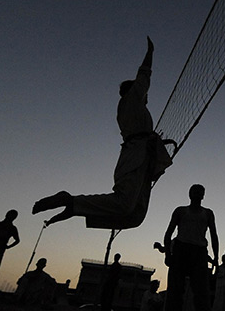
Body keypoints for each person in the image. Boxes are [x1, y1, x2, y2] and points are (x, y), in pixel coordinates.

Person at [32, 37, 172, 230]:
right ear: (133, 91)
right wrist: (150, 53)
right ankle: (71, 201)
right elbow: (144, 77)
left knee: (135, 215)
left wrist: (157, 145)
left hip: (143, 156)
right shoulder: (131, 100)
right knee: (124, 205)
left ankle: (75, 207)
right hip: (135, 155)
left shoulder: (135, 111)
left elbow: (142, 131)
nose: (146, 95)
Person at [160, 184, 219, 311]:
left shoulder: (208, 213)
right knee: (174, 293)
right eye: (194, 190)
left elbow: (214, 235)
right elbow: (169, 232)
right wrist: (168, 254)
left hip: (199, 253)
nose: (197, 193)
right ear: (189, 193)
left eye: (200, 191)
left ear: (203, 195)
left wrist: (215, 257)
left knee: (201, 295)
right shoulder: (180, 211)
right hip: (180, 250)